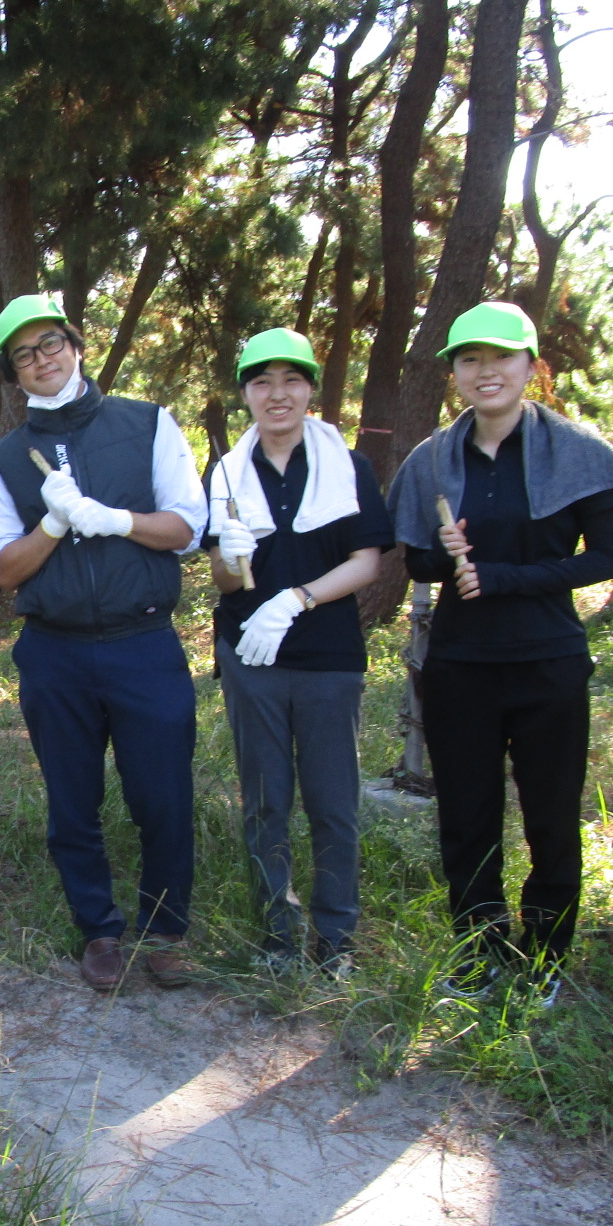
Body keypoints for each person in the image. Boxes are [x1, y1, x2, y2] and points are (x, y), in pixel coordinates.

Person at [389, 302, 613, 1008]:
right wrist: (443, 556)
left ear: (531, 366)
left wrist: (503, 577)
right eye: (469, 360)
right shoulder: (432, 459)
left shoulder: (579, 450)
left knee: (550, 816)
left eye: (501, 357)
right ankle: (479, 951)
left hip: (548, 663)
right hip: (460, 666)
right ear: (455, 375)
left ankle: (547, 956)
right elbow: (415, 563)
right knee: (466, 817)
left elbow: (606, 558)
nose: (485, 372)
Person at [0, 293, 208, 992]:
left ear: (76, 347)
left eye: (51, 344)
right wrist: (50, 527)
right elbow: (2, 570)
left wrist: (113, 519)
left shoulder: (145, 424)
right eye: (24, 353)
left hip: (145, 642)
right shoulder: (8, 460)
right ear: (13, 375)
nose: (41, 360)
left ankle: (166, 930)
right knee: (72, 799)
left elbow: (188, 528)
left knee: (162, 794)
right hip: (56, 652)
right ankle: (99, 929)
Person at [204, 328, 390, 979]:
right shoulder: (226, 472)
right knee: (264, 800)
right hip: (251, 659)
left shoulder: (349, 466)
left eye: (290, 380)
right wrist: (230, 556)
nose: (276, 394)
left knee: (333, 802)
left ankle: (336, 938)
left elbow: (367, 559)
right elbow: (226, 583)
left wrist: (297, 599)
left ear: (311, 388)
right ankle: (279, 936)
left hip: (329, 657)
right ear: (246, 394)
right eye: (261, 381)